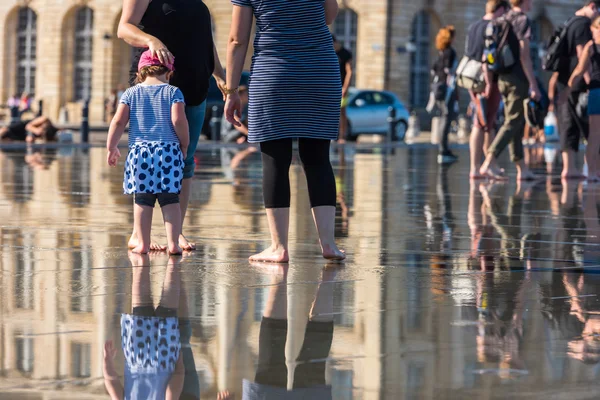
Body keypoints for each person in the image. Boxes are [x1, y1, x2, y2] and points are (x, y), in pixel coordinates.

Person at [225, 0, 345, 262]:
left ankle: (279, 247)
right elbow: (328, 16)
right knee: (318, 159)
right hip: (320, 71)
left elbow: (237, 39)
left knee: (275, 160)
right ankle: (328, 245)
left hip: (274, 72)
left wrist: (232, 91)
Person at [118, 0, 226, 252]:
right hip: (155, 86)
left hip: (194, 82)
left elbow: (204, 38)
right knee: (146, 156)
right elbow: (124, 28)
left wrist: (218, 72)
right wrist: (151, 41)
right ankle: (137, 234)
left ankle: (175, 233)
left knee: (184, 160)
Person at [106, 50, 189, 255]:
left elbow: (118, 121)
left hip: (140, 153)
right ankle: (173, 244)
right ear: (168, 71)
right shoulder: (173, 92)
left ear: (141, 71)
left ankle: (142, 243)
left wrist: (112, 146)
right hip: (168, 151)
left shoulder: (131, 93)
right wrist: (184, 145)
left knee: (142, 199)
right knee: (170, 199)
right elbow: (178, 121)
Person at [103, 253, 184, 400]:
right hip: (137, 355)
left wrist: (179, 366)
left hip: (163, 359)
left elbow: (171, 393)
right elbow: (112, 382)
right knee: (141, 303)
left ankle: (174, 260)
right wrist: (107, 361)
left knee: (169, 305)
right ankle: (141, 258)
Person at [479, 0, 539, 181]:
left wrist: (490, 80)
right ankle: (489, 159)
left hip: (502, 77)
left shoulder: (502, 19)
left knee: (515, 122)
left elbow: (487, 53)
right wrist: (533, 83)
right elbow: (524, 54)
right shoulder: (522, 20)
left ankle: (522, 168)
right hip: (517, 78)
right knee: (513, 121)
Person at [557, 1, 600, 180]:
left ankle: (591, 172)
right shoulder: (591, 47)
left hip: (595, 91)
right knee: (595, 136)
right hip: (596, 91)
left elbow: (579, 70)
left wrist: (567, 90)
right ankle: (592, 171)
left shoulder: (590, 47)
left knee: (594, 136)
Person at [467, 0, 510, 179]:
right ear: (500, 9)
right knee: (484, 122)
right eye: (505, 13)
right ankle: (478, 167)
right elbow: (489, 56)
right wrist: (490, 81)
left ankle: (486, 165)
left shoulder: (473, 26)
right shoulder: (492, 27)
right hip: (487, 80)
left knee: (485, 122)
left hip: (472, 79)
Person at [432, 25, 459, 164]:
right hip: (447, 88)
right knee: (447, 118)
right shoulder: (450, 52)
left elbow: (434, 70)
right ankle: (443, 149)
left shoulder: (441, 52)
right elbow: (449, 70)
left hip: (438, 89)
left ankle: (443, 147)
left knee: (444, 117)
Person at [333, 35, 353, 143]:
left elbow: (349, 71)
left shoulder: (345, 53)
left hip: (341, 87)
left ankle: (341, 136)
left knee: (342, 112)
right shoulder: (330, 52)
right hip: (331, 86)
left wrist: (345, 87)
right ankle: (331, 135)